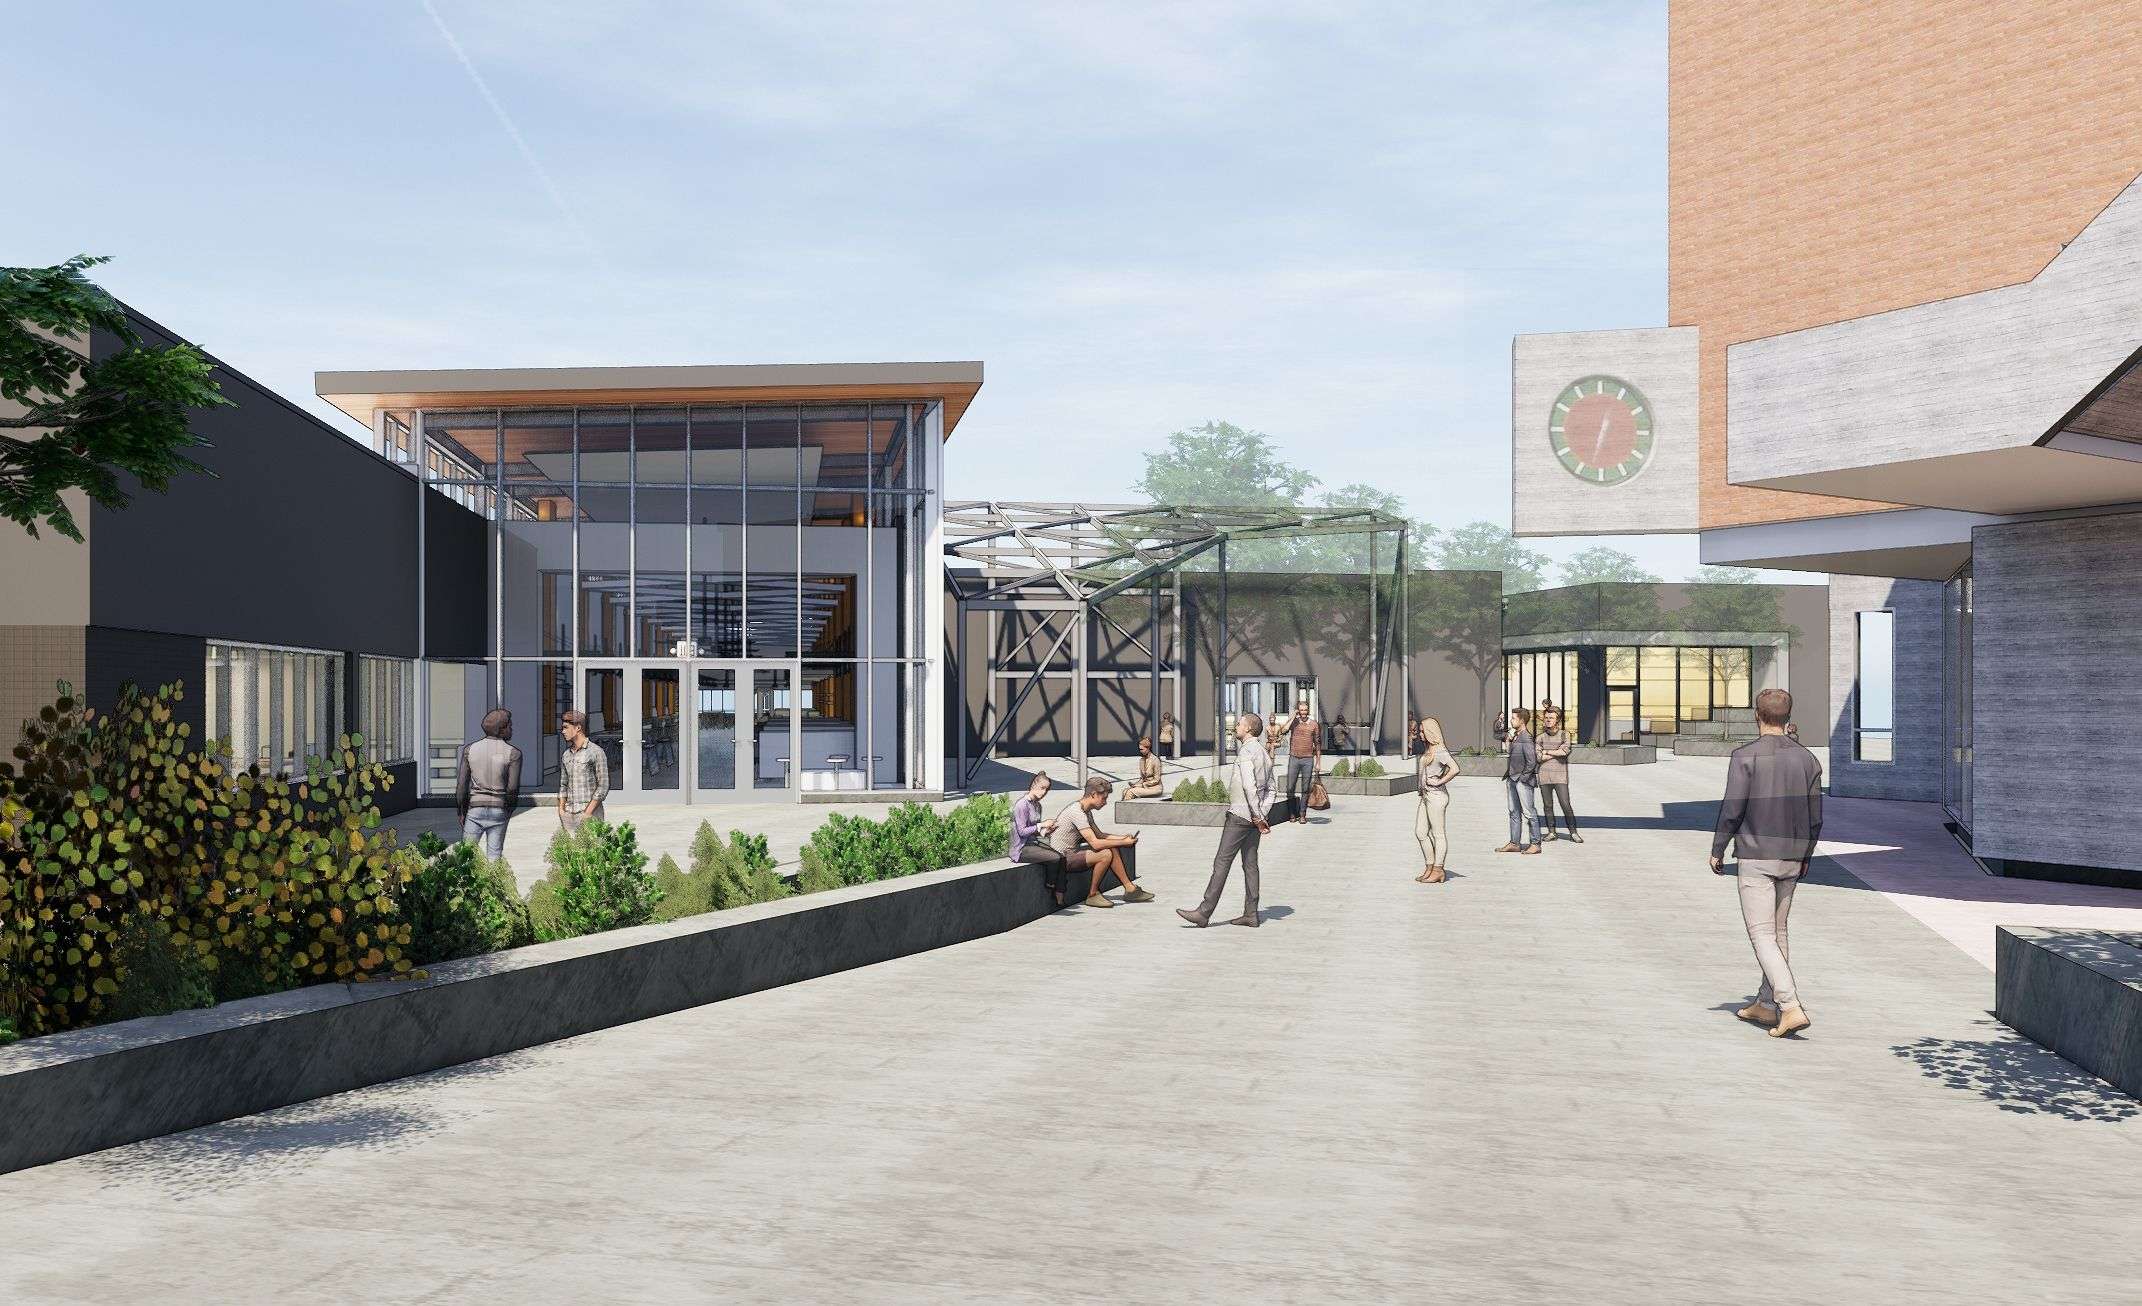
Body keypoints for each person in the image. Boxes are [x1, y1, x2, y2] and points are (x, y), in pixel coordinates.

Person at [1711, 688, 1825, 1039]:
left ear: (1756, 715)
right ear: (1787, 716)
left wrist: (1718, 847)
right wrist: (1806, 855)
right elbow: (1816, 817)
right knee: (1778, 932)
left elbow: (1733, 807)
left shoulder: (1745, 756)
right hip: (1793, 855)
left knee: (1761, 934)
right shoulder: (1809, 760)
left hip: (1757, 854)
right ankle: (1765, 1003)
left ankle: (1789, 1006)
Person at [1178, 711, 1273, 928]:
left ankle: (1204, 912)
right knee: (1250, 864)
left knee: (1222, 862)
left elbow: (1249, 785)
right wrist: (1262, 813)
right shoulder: (1264, 754)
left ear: (1248, 728)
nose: (1236, 726)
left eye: (1239, 723)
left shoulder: (1247, 752)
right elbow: (1272, 789)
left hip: (1240, 816)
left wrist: (1256, 815)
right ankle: (1251, 913)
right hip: (1254, 819)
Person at [1048, 777, 1153, 909]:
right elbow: (1096, 843)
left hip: (1071, 853)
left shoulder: (1085, 811)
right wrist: (1122, 842)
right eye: (1103, 798)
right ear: (1093, 795)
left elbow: (1100, 835)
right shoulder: (1077, 813)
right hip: (1063, 858)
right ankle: (1092, 895)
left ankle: (1130, 889)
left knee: (1111, 847)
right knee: (1105, 854)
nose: (1105, 802)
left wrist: (1123, 838)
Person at [455, 708, 523, 860]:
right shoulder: (513, 753)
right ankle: (493, 883)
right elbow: (512, 788)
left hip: (475, 809)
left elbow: (462, 785)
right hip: (498, 809)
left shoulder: (470, 750)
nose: (512, 729)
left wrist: (461, 810)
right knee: (494, 855)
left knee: (465, 856)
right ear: (501, 729)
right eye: (509, 726)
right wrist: (509, 809)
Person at [1010, 772, 1068, 907]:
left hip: (1033, 844)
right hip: (1021, 848)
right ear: (1033, 785)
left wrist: (1046, 831)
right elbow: (1022, 831)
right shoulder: (1022, 805)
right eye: (1042, 788)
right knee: (1054, 858)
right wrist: (1041, 825)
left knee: (1062, 857)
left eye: (1047, 789)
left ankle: (1060, 898)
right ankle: (1050, 885)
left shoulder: (1037, 806)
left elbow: (1035, 831)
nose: (1044, 792)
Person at [1413, 715, 1459, 884]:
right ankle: (1429, 866)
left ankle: (1438, 869)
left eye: (1422, 731)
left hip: (1436, 796)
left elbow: (1455, 768)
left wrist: (1439, 781)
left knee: (1438, 834)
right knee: (1420, 832)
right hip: (1426, 796)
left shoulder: (1440, 751)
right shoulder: (1429, 750)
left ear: (1431, 732)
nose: (1420, 734)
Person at [1495, 707, 1541, 854]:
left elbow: (1532, 761)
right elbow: (1499, 738)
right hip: (1512, 778)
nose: (1511, 720)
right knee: (1513, 811)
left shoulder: (1526, 738)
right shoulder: (1516, 736)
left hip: (1522, 780)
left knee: (1529, 812)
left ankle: (1535, 843)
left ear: (1522, 720)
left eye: (1514, 718)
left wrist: (1523, 778)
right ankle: (1514, 843)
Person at [557, 709, 609, 833]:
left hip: (590, 814)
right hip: (569, 814)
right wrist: (561, 810)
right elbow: (563, 784)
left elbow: (603, 786)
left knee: (592, 850)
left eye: (566, 727)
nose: (563, 731)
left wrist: (587, 813)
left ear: (578, 728)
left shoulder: (596, 752)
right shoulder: (566, 755)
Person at [1535, 708, 1581, 843]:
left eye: (1551, 718)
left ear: (1558, 720)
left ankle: (1573, 832)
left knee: (1565, 804)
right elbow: (1538, 757)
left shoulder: (1564, 735)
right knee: (1547, 806)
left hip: (1560, 777)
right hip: (1544, 776)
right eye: (1546, 717)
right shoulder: (1540, 737)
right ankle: (1551, 832)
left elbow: (1565, 752)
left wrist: (1546, 752)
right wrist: (1556, 752)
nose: (1548, 720)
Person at [1282, 699, 1322, 825]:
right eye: (1301, 710)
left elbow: (1318, 744)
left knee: (1305, 788)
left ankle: (1302, 814)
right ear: (1298, 711)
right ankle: (1292, 813)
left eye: (1305, 710)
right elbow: (1283, 731)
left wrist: (1318, 762)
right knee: (1290, 787)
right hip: (1294, 758)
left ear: (1308, 711)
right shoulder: (1294, 722)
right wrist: (1292, 716)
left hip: (1308, 759)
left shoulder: (1314, 724)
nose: (1303, 712)